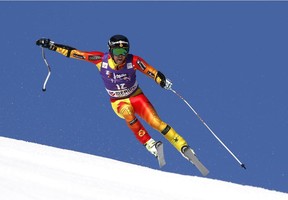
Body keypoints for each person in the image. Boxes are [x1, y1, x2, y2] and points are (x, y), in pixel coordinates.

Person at [36, 35, 194, 162]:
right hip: (119, 102)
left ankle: (182, 146)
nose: (121, 56)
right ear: (110, 50)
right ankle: (149, 144)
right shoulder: (100, 60)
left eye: (124, 51)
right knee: (127, 113)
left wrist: (162, 80)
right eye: (118, 52)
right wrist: (52, 45)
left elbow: (151, 71)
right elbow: (74, 53)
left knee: (156, 122)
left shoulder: (133, 61)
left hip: (136, 96)